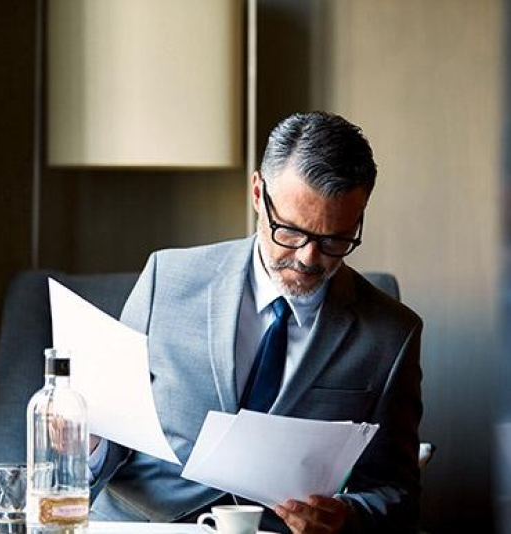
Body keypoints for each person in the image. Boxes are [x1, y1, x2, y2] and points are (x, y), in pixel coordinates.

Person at [87, 111, 423, 534]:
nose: (307, 258)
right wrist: (87, 444)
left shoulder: (391, 334)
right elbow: (110, 434)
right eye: (290, 231)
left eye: (335, 240)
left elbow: (396, 492)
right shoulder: (165, 280)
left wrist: (347, 516)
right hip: (144, 524)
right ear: (257, 191)